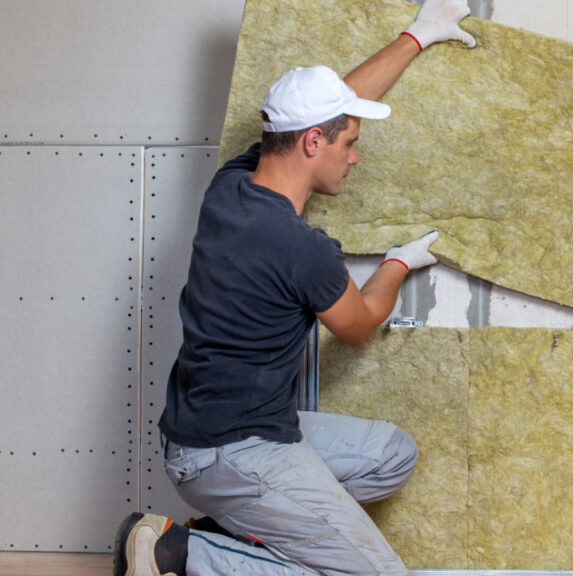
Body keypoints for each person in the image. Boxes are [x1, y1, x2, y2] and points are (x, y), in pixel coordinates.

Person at [112, 2, 476, 575]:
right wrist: (399, 264)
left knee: (391, 456)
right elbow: (359, 325)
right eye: (348, 142)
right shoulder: (300, 248)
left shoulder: (231, 186)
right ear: (313, 143)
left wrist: (417, 37)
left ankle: (247, 528)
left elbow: (331, 106)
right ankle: (178, 556)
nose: (354, 156)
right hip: (228, 453)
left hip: (221, 429)